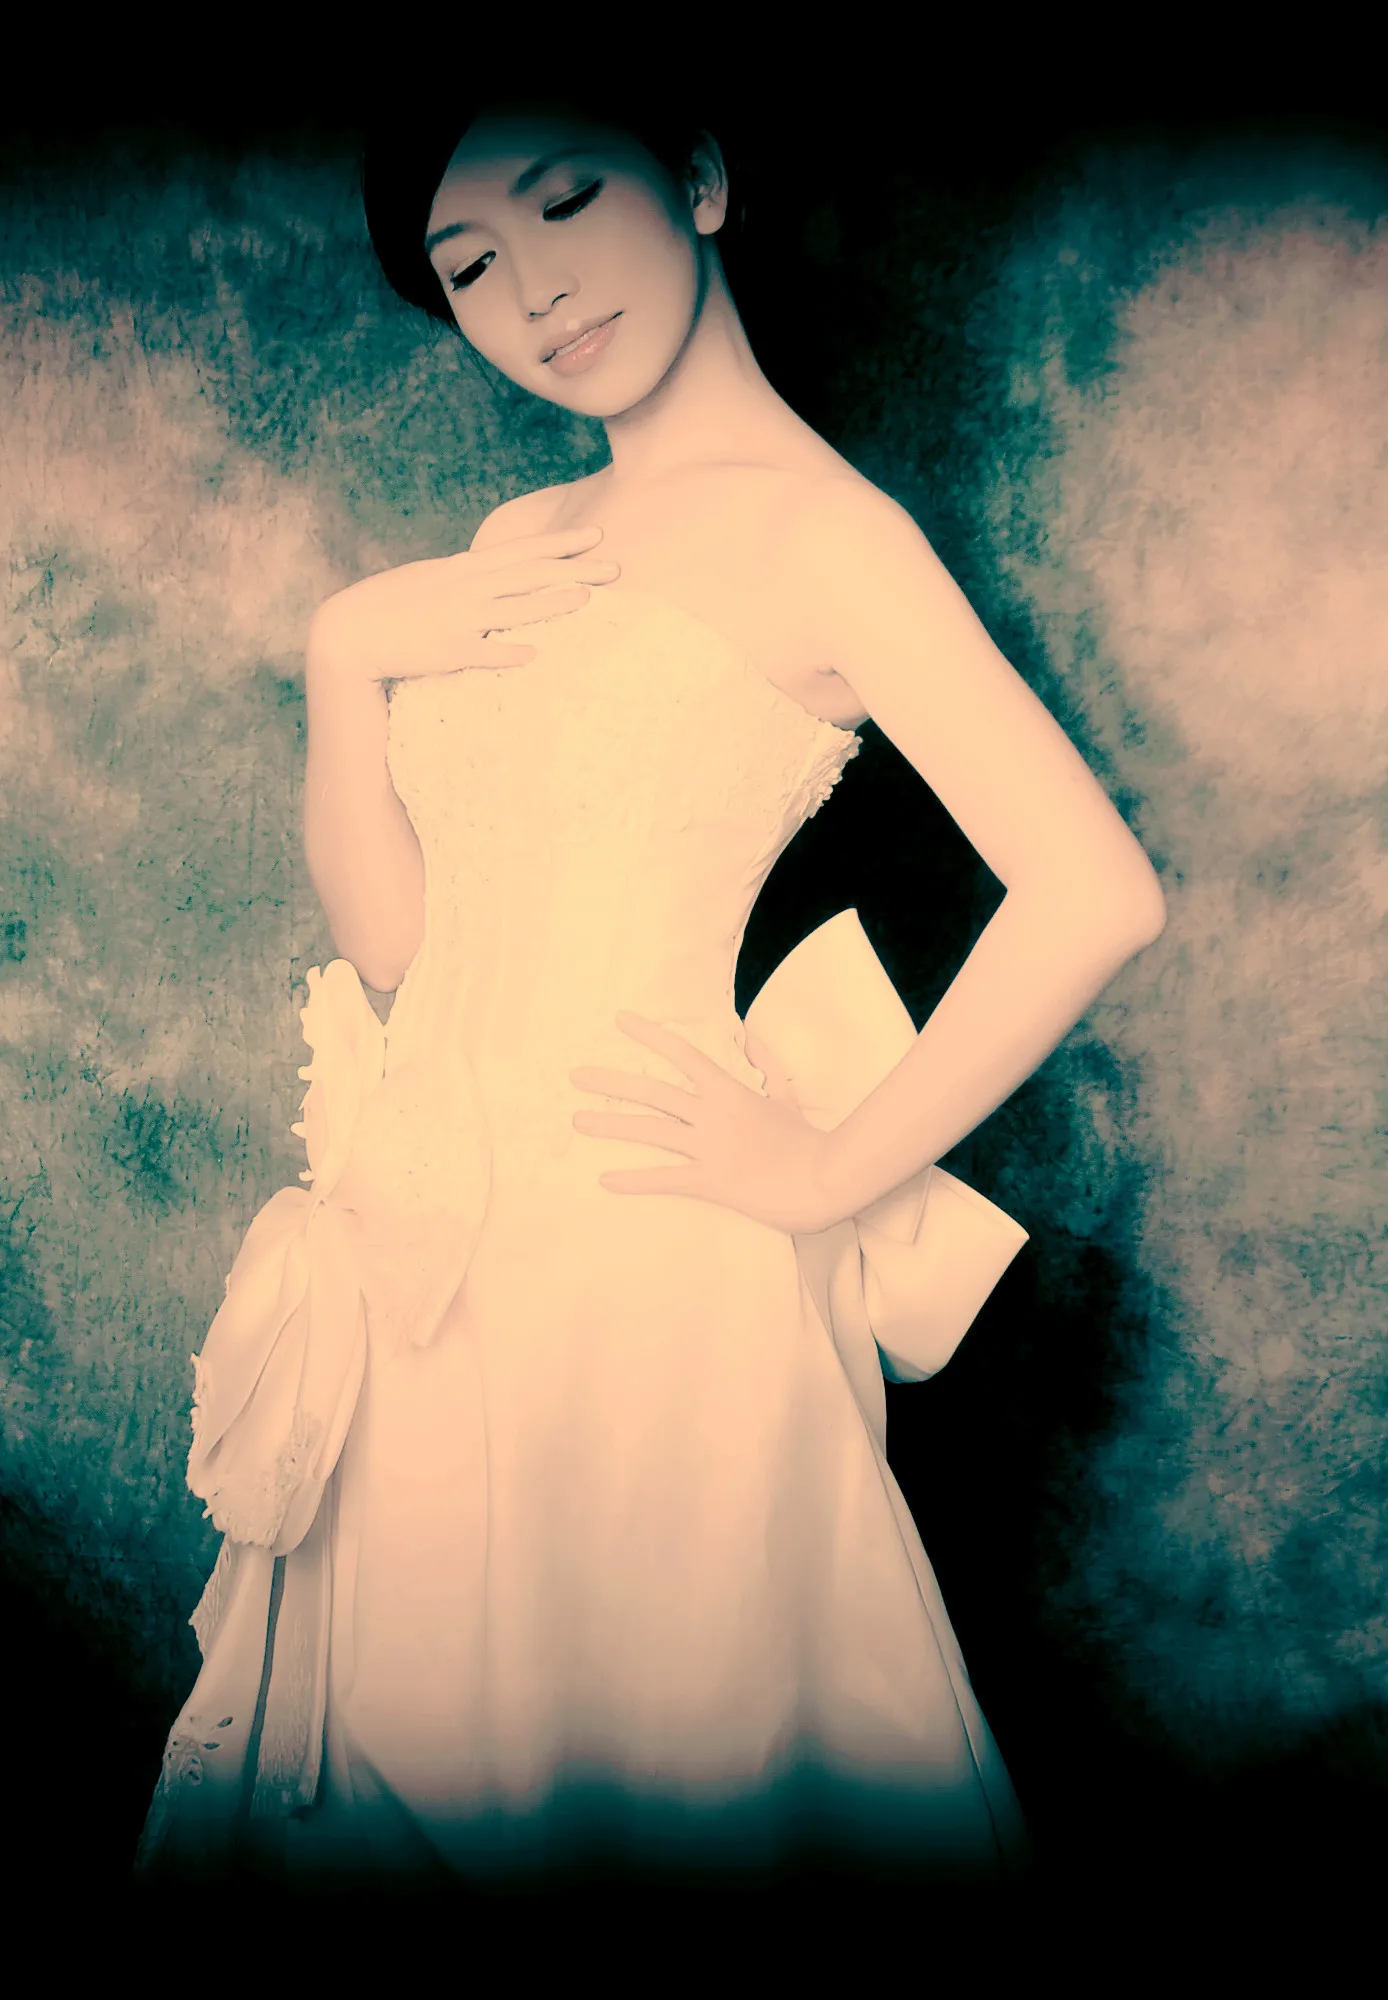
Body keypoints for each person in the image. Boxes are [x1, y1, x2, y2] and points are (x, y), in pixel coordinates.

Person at [135, 74, 1166, 1900]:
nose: (532, 289)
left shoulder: (826, 538)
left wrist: (822, 1166)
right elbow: (404, 953)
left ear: (695, 178)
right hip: (428, 1253)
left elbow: (1096, 892)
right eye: (469, 264)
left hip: (646, 1256)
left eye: (563, 204)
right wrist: (342, 659)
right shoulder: (526, 539)